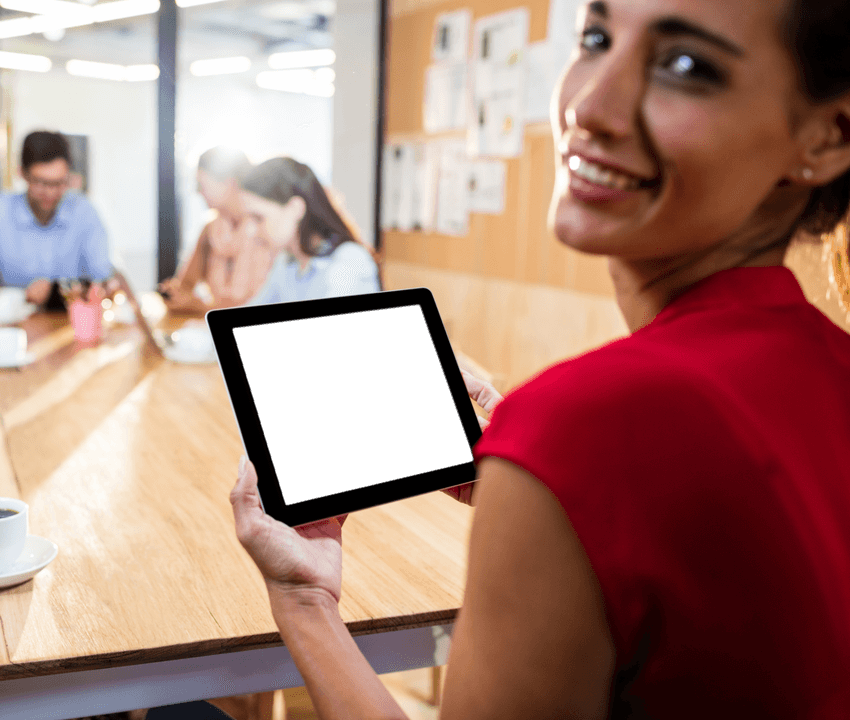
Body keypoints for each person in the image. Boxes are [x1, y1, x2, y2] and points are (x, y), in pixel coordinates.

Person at [230, 0, 850, 716]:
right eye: (595, 38)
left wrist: (303, 599)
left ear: (828, 136)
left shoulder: (582, 428)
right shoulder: (828, 366)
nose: (589, 105)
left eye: (686, 66)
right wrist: (541, 485)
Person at [0, 130, 127, 307]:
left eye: (59, 183)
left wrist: (64, 290)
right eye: (41, 183)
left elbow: (104, 279)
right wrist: (19, 297)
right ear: (22, 174)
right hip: (6, 326)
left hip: (71, 325)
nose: (50, 192)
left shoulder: (84, 213)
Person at [240, 157, 379, 304]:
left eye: (258, 218)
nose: (250, 230)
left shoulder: (348, 260)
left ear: (295, 209)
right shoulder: (285, 264)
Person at [160, 147, 275, 312]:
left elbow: (268, 304)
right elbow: (185, 285)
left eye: (201, 185)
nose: (198, 192)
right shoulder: (210, 229)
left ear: (229, 183)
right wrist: (176, 295)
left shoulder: (266, 229)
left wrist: (202, 307)